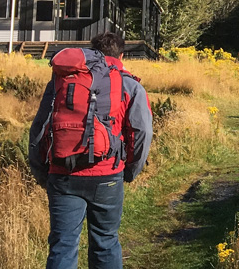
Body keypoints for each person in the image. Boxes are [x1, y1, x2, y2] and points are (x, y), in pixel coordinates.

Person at [29, 33, 153, 269]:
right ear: (122, 55)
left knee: (63, 244)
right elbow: (142, 131)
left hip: (62, 173)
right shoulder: (129, 84)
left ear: (92, 52)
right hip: (107, 175)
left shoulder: (62, 80)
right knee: (105, 242)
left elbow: (39, 128)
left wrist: (42, 172)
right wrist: (130, 170)